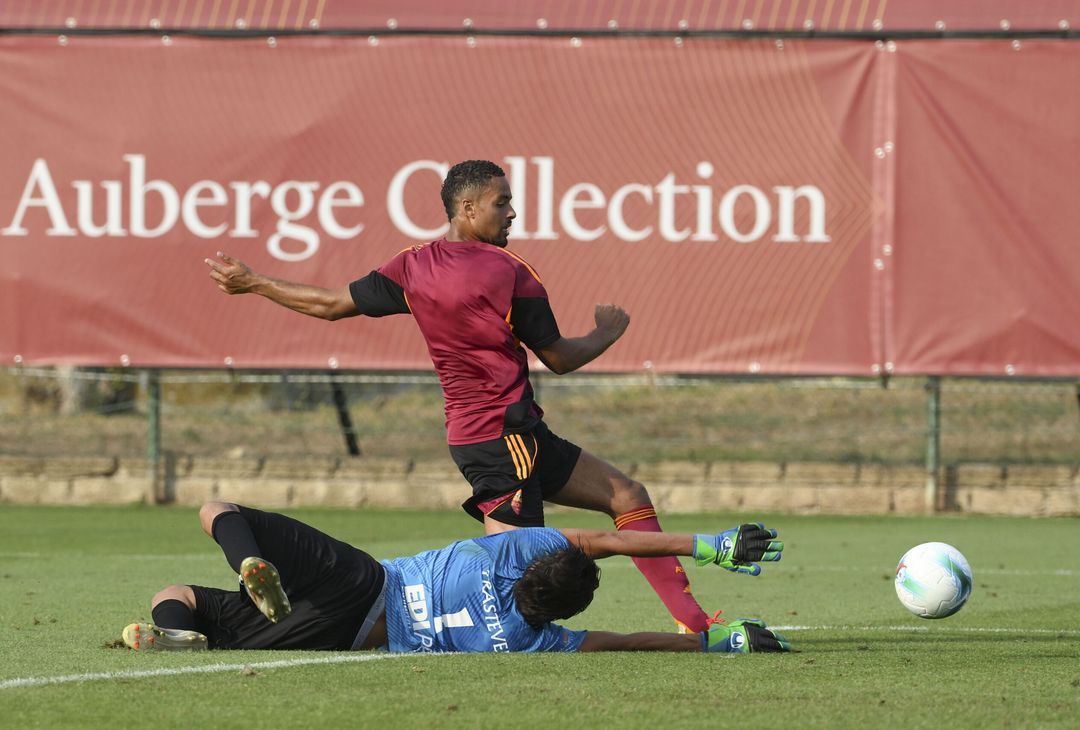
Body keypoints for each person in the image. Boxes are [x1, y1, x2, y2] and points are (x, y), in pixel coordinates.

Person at [205, 160, 705, 632]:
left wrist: (254, 283)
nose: (511, 212)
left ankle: (695, 624)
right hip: (498, 437)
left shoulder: (412, 266)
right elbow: (559, 357)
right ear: (467, 209)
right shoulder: (509, 271)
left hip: (512, 433)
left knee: (626, 495)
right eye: (501, 202)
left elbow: (332, 304)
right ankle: (415, 627)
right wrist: (607, 331)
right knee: (517, 571)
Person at [122, 502, 790, 655]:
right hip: (340, 635)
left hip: (364, 584)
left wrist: (712, 544)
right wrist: (715, 642)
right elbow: (625, 641)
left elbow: (604, 538)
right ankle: (189, 636)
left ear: (533, 561)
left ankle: (242, 568)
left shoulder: (500, 557)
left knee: (219, 514)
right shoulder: (534, 643)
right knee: (193, 608)